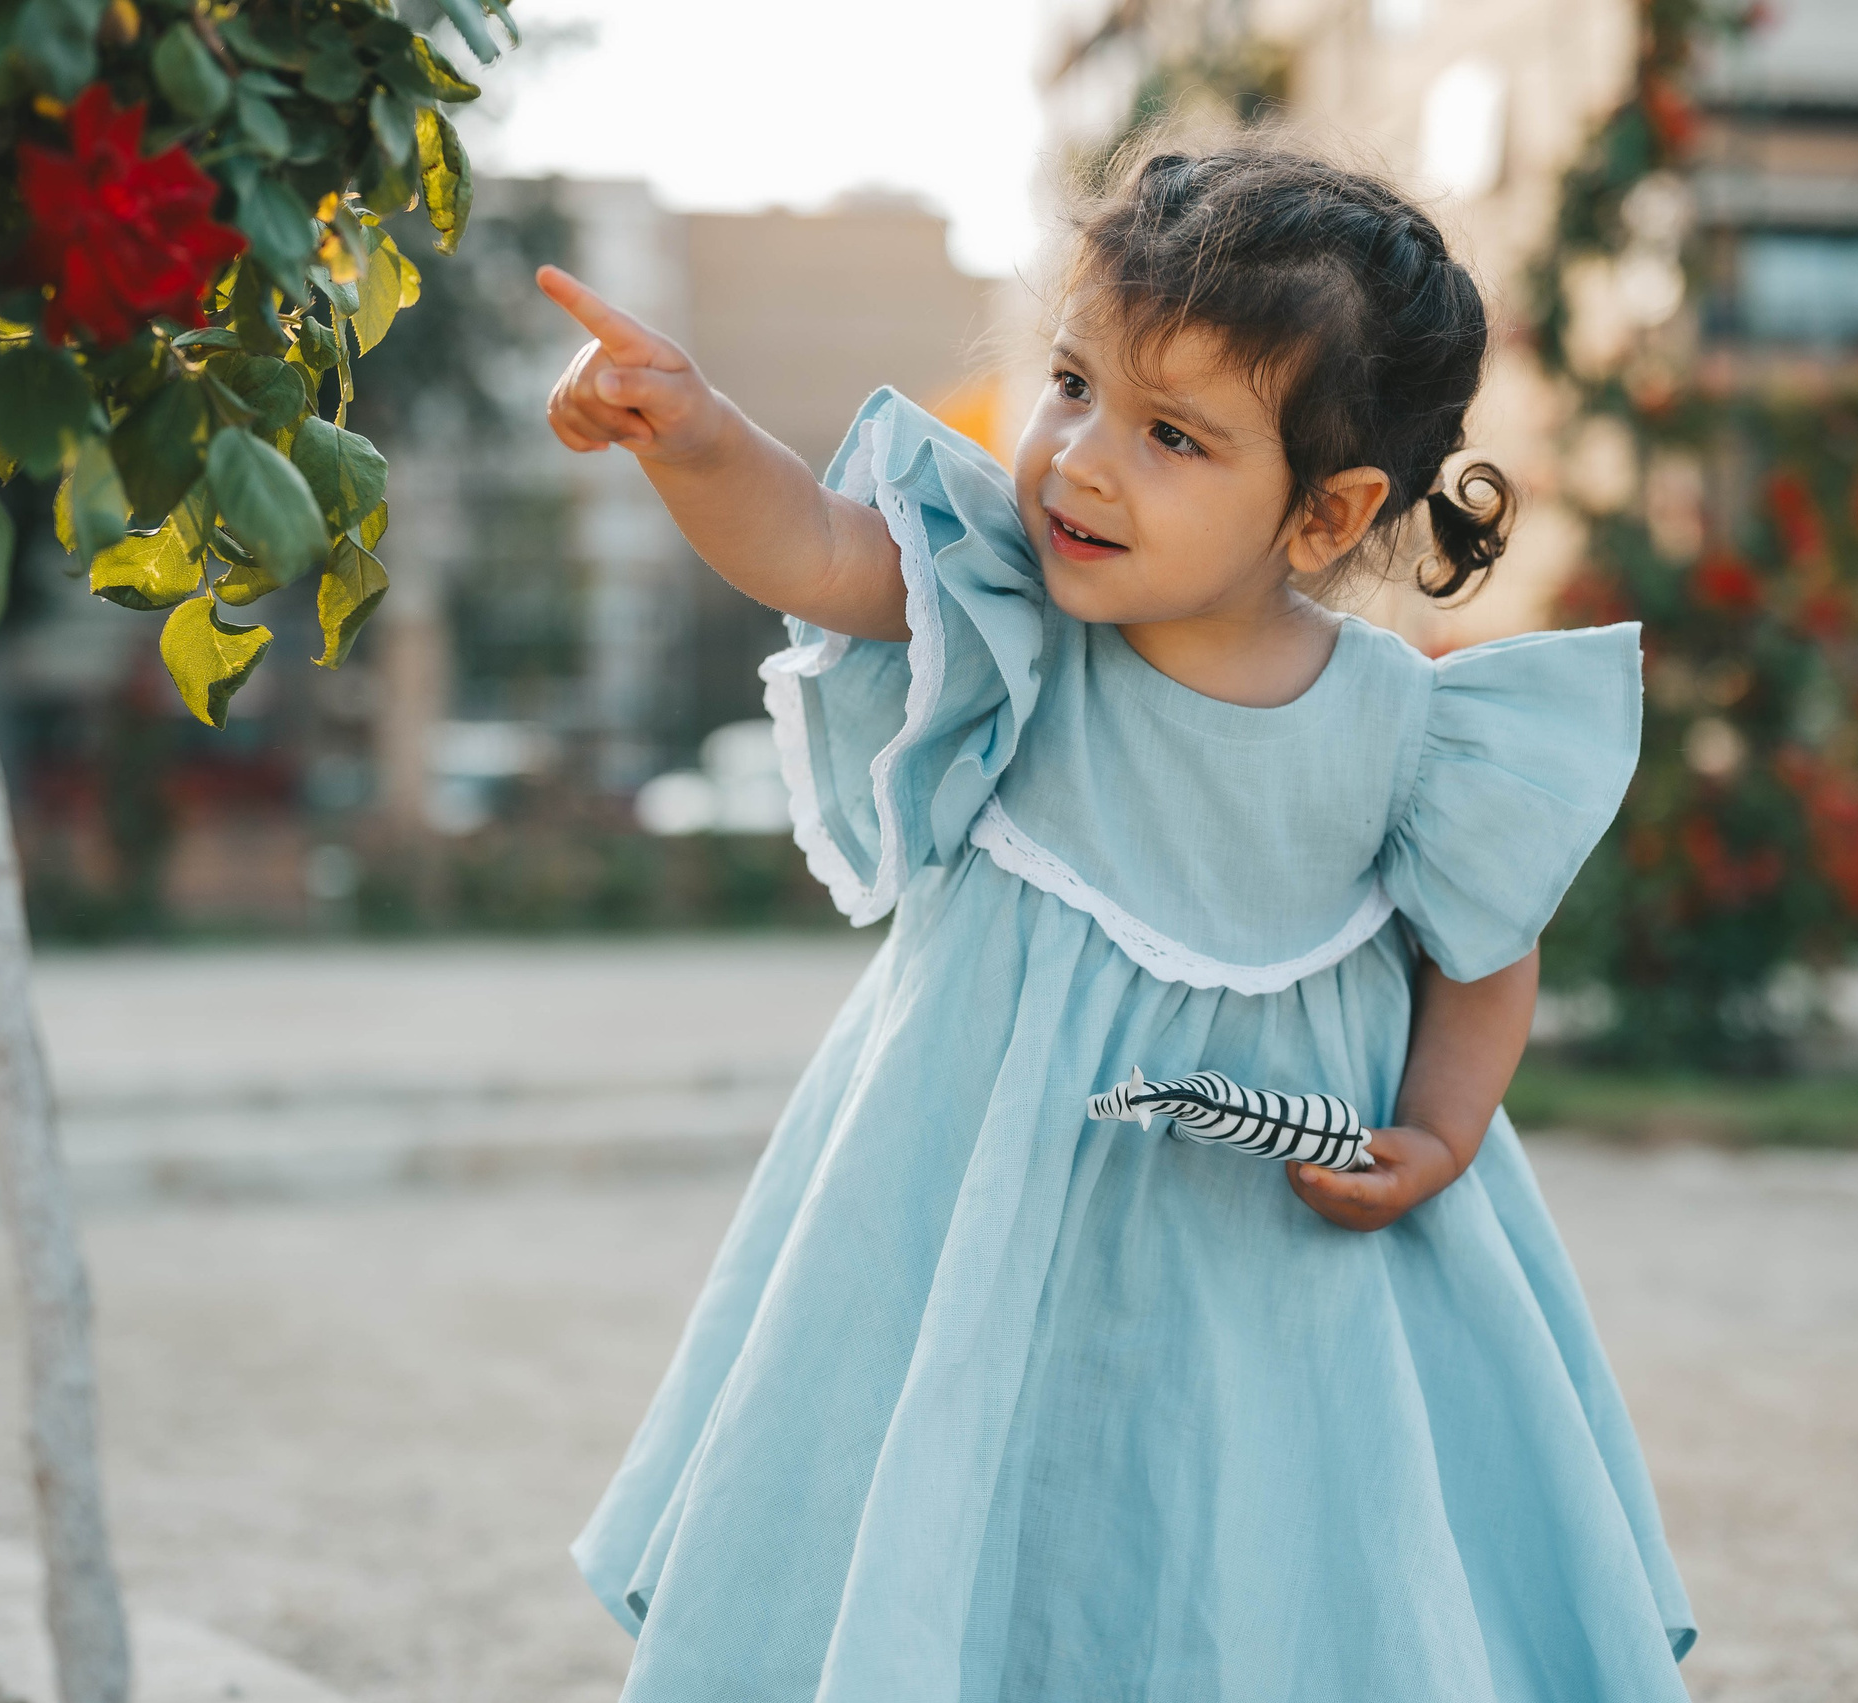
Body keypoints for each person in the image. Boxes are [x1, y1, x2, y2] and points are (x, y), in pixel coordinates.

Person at [538, 144, 1694, 1701]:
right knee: (970, 1497)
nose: (1079, 458)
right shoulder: (1010, 602)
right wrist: (686, 433)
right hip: (971, 1195)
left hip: (1277, 1239)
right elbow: (812, 545)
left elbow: (1482, 954)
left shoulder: (1405, 728)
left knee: (1270, 1535)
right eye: (1072, 382)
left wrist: (1436, 1133)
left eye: (1172, 434)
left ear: (1323, 512)